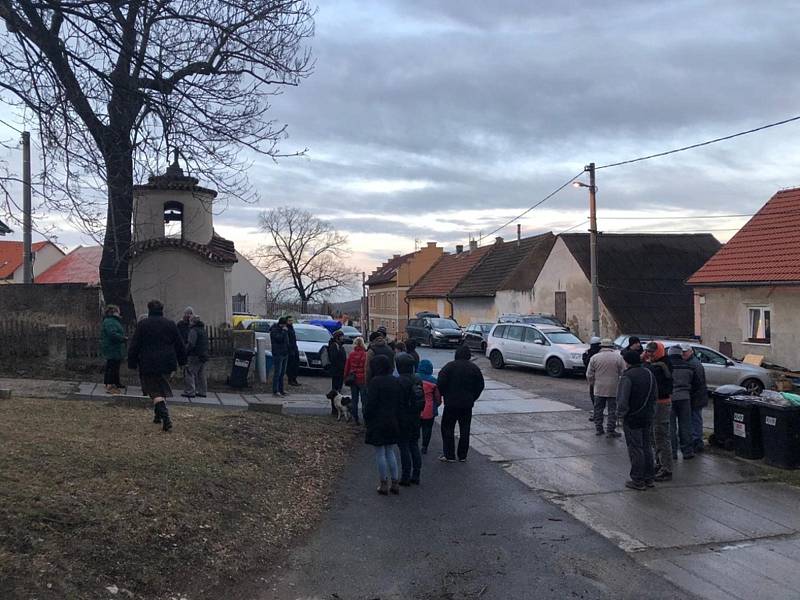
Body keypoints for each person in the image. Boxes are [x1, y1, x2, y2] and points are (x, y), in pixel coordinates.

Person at [128, 299, 187, 432]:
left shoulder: (143, 325)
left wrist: (131, 362)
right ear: (162, 309)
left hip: (148, 362)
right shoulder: (170, 324)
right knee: (161, 387)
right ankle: (157, 416)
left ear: (149, 310)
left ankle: (166, 418)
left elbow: (135, 345)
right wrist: (182, 361)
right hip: (167, 362)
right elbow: (180, 344)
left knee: (154, 391)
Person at [617, 349, 657, 491]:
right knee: (647, 447)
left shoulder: (627, 376)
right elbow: (654, 395)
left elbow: (622, 399)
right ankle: (649, 478)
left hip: (632, 417)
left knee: (635, 448)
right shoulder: (649, 373)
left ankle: (638, 480)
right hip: (647, 415)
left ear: (627, 361)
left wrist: (620, 414)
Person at [437, 345, 485, 462]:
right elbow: (480, 385)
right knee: (465, 429)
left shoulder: (449, 367)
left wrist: (445, 395)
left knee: (447, 428)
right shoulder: (474, 368)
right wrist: (473, 397)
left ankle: (449, 454)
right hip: (467, 404)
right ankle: (462, 455)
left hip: (451, 404)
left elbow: (440, 383)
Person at [364, 355, 403, 495]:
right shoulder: (395, 381)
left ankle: (383, 483)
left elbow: (370, 404)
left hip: (378, 421)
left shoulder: (375, 382)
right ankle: (395, 482)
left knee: (380, 453)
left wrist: (367, 418)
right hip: (392, 420)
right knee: (390, 452)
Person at [643, 341, 674, 481]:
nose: (649, 354)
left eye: (651, 352)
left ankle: (666, 469)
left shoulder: (661, 366)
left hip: (661, 404)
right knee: (655, 436)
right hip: (657, 403)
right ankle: (660, 463)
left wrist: (644, 362)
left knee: (661, 436)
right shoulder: (661, 363)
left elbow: (648, 374)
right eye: (648, 351)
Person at [396, 353, 425, 485]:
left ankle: (405, 476)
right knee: (414, 445)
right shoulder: (417, 379)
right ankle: (416, 474)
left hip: (403, 419)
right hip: (416, 417)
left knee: (404, 447)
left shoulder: (399, 381)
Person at [586, 339, 626, 438]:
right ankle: (610, 430)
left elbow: (589, 374)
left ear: (601, 346)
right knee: (612, 410)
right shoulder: (618, 357)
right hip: (613, 388)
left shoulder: (595, 358)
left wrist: (592, 383)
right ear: (612, 347)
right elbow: (624, 372)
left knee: (598, 409)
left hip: (599, 388)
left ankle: (599, 429)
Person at [666, 345, 697, 460]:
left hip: (669, 398)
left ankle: (672, 452)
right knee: (686, 425)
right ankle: (687, 451)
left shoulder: (667, 366)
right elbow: (694, 382)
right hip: (685, 398)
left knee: (671, 426)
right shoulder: (688, 366)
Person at [683, 343, 708, 453]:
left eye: (685, 352)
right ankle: (696, 440)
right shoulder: (692, 362)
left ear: (690, 351)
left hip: (696, 397)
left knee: (695, 419)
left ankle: (697, 441)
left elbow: (698, 382)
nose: (683, 354)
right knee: (694, 419)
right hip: (696, 396)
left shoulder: (694, 364)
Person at [100, 304, 127, 394]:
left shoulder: (112, 321)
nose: (119, 313)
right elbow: (112, 334)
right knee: (112, 365)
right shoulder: (110, 322)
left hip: (114, 347)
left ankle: (115, 382)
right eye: (117, 311)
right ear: (113, 312)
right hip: (112, 347)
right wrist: (122, 338)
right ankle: (109, 382)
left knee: (115, 365)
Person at [417, 359, 441, 455]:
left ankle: (414, 443)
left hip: (416, 408)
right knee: (427, 428)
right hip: (429, 409)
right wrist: (436, 405)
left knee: (415, 427)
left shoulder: (414, 378)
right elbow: (438, 398)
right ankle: (424, 446)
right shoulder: (434, 381)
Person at [344, 336, 368, 425]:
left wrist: (345, 377)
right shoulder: (365, 354)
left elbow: (347, 367)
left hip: (353, 378)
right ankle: (365, 418)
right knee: (364, 400)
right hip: (362, 378)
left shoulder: (351, 354)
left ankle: (355, 418)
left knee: (354, 399)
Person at [183, 314, 209, 398]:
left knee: (189, 372)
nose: (189, 322)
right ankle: (202, 391)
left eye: (190, 320)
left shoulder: (193, 330)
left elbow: (191, 344)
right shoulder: (203, 330)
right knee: (201, 374)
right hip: (203, 355)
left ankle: (190, 391)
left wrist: (186, 351)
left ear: (193, 322)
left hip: (194, 355)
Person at [327, 329, 348, 415]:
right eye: (341, 337)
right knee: (335, 390)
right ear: (337, 338)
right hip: (337, 371)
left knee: (339, 390)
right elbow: (334, 359)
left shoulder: (340, 346)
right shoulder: (334, 346)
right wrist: (341, 366)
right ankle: (334, 409)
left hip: (340, 371)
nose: (343, 338)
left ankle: (338, 408)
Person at [582, 336, 602, 422]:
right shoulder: (599, 354)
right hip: (602, 378)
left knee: (595, 397)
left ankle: (596, 415)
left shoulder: (590, 355)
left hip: (594, 379)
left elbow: (587, 366)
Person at [270, 317, 290, 398]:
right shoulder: (274, 330)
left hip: (285, 353)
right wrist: (284, 331)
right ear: (281, 324)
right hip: (278, 353)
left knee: (282, 373)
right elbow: (279, 339)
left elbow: (286, 340)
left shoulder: (283, 330)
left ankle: (281, 389)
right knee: (277, 373)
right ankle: (275, 390)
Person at [176, 306, 194, 394]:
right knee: (187, 370)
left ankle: (189, 389)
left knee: (188, 371)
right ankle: (189, 388)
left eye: (190, 314)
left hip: (188, 349)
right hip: (184, 348)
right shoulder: (181, 324)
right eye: (188, 313)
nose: (189, 315)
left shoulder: (191, 325)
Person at [286, 315, 301, 387]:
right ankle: (290, 380)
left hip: (295, 348)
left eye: (291, 320)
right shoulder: (286, 329)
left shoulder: (292, 328)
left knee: (296, 365)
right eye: (289, 320)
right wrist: (290, 349)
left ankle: (294, 379)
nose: (291, 322)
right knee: (290, 366)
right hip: (290, 350)